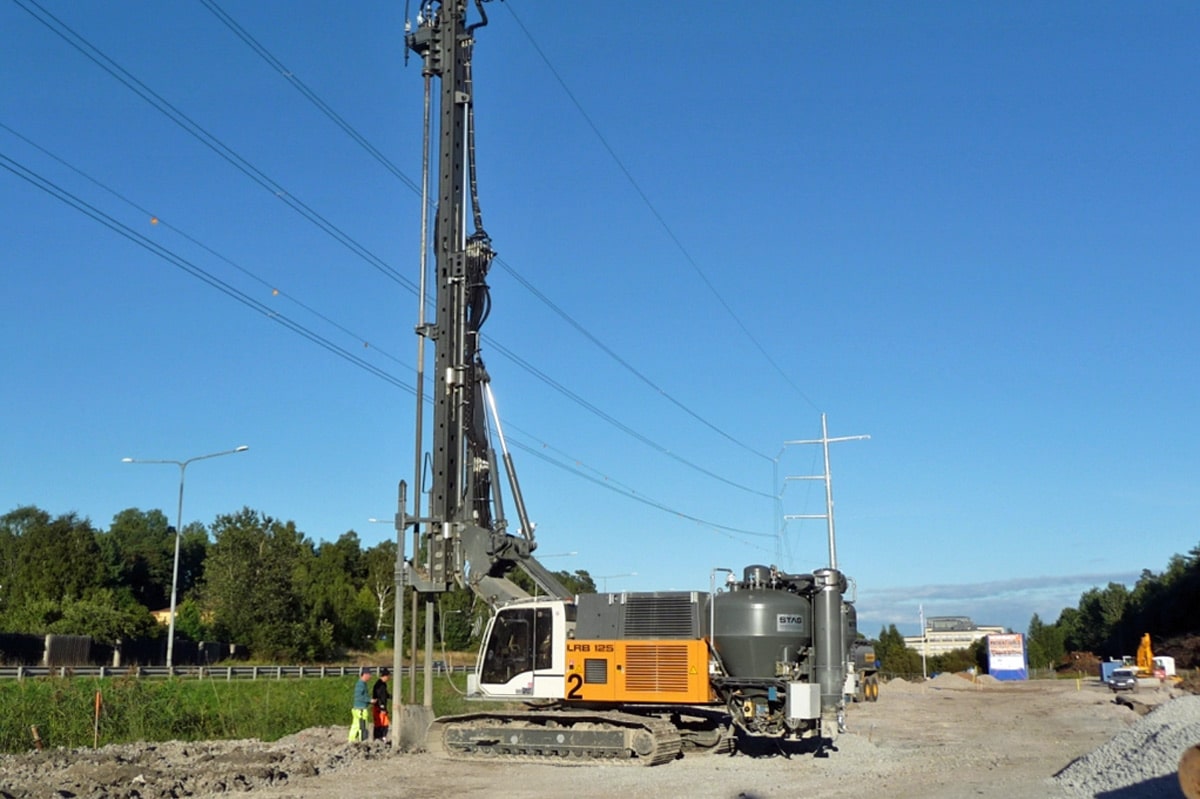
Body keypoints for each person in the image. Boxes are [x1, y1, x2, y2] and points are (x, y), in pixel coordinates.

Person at [348, 667, 371, 742]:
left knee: (355, 725)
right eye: (369, 674)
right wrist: (369, 700)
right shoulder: (361, 684)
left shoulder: (361, 684)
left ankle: (351, 740)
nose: (370, 676)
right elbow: (359, 696)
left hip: (357, 709)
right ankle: (363, 741)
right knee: (362, 726)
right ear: (365, 674)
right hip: (360, 709)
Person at [372, 667, 391, 741]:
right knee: (380, 724)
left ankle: (382, 737)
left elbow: (385, 695)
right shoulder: (379, 685)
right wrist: (382, 707)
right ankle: (379, 738)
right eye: (388, 676)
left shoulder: (382, 684)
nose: (389, 678)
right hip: (379, 708)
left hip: (380, 707)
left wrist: (393, 697)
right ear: (385, 676)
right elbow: (380, 697)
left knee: (384, 723)